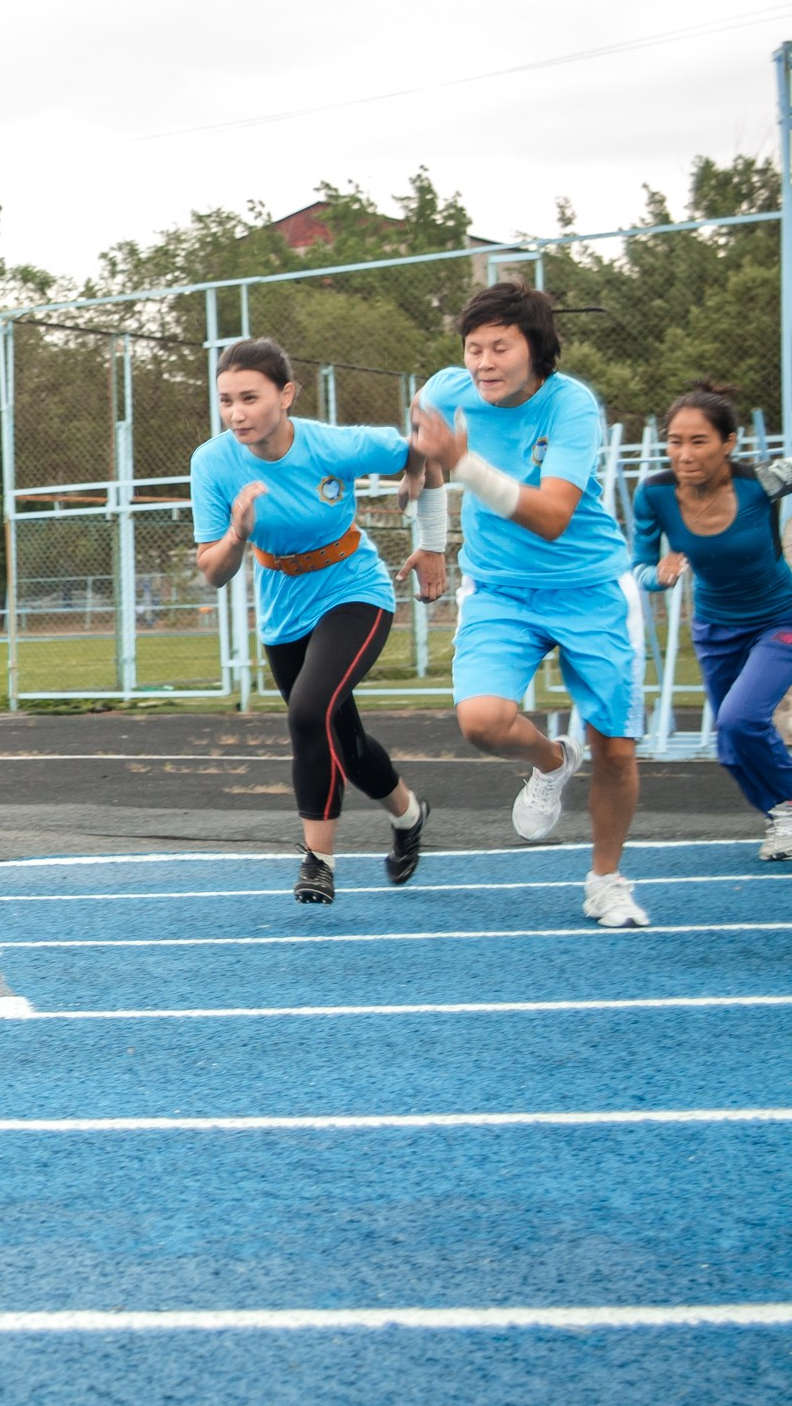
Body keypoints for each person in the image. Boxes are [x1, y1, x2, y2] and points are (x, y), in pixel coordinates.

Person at [406, 282, 647, 926]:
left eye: (499, 348)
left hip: (589, 586)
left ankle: (606, 879)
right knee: (481, 722)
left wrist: (463, 463)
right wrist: (431, 543)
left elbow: (553, 516)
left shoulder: (571, 405)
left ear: (535, 350)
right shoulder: (445, 392)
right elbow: (424, 465)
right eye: (473, 347)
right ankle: (549, 759)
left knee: (616, 747)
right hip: (499, 588)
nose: (482, 362)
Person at [190, 339, 432, 904]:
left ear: (287, 394)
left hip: (354, 589)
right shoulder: (212, 462)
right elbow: (213, 573)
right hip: (284, 608)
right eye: (226, 401)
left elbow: (424, 448)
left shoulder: (333, 444)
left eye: (250, 397)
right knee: (342, 742)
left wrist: (416, 479)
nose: (237, 413)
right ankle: (409, 814)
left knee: (307, 712)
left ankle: (317, 861)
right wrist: (237, 534)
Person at [629, 381, 792, 858]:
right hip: (715, 627)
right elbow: (639, 566)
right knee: (729, 741)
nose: (684, 453)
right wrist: (658, 577)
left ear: (729, 443)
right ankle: (781, 814)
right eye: (675, 441)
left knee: (742, 720)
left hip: (779, 619)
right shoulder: (653, 494)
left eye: (698, 441)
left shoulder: (763, 481)